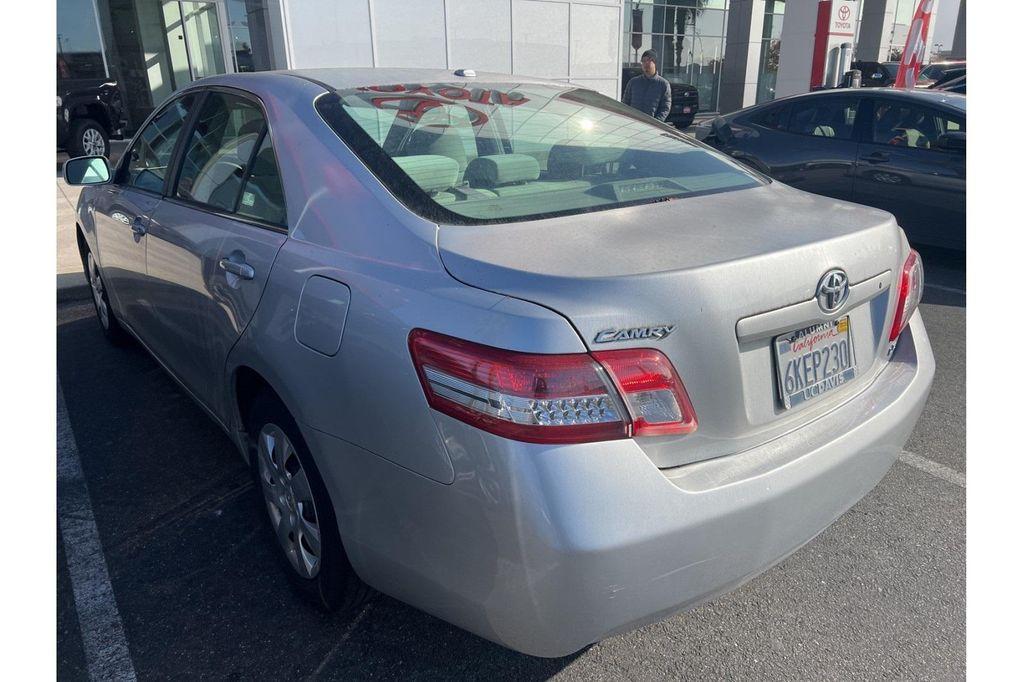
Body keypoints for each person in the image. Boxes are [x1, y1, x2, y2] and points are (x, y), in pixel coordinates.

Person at [622, 49, 671, 122]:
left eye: (648, 60)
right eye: (643, 61)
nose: (645, 63)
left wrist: (656, 122)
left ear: (654, 62)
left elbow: (665, 108)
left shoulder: (663, 84)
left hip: (651, 127)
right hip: (633, 124)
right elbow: (625, 103)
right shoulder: (633, 82)